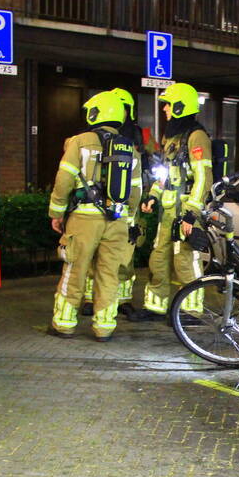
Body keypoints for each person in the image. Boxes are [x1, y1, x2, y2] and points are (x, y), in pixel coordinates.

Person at [47, 90, 139, 341]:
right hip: (117, 220)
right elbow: (136, 191)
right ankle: (104, 327)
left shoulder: (79, 141)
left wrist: (56, 211)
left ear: (95, 112)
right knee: (109, 275)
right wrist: (129, 220)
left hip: (84, 219)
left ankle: (64, 324)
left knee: (74, 270)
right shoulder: (129, 147)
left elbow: (64, 178)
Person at [132, 82, 212, 321]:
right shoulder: (172, 137)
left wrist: (191, 214)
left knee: (186, 260)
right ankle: (155, 307)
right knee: (158, 259)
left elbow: (203, 178)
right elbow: (166, 173)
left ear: (180, 106)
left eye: (168, 104)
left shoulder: (196, 136)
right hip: (168, 212)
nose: (165, 108)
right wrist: (153, 196)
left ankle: (191, 311)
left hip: (185, 212)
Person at [81, 87, 156, 320]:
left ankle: (122, 300)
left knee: (125, 256)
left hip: (131, 200)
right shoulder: (95, 135)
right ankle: (91, 299)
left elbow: (153, 161)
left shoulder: (141, 135)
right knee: (97, 256)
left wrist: (150, 193)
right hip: (102, 203)